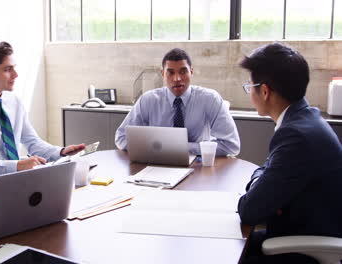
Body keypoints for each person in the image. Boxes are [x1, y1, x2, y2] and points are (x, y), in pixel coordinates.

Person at [237, 43, 342, 264]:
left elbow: (249, 209)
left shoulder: (295, 136)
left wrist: (257, 183)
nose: (250, 92)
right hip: (303, 230)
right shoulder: (305, 120)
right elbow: (265, 170)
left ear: (264, 91)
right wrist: (261, 181)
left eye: (249, 86)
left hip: (304, 247)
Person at [0, 41, 85, 182]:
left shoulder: (15, 102)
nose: (15, 75)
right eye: (7, 69)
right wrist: (16, 166)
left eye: (14, 68)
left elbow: (32, 142)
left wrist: (60, 152)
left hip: (17, 178)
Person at [115, 48, 240, 156]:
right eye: (170, 73)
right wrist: (152, 147)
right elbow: (121, 138)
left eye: (183, 71)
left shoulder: (210, 99)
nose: (177, 79)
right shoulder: (148, 100)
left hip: (199, 166)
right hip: (157, 164)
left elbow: (231, 145)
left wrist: (183, 148)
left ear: (191, 71)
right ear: (163, 73)